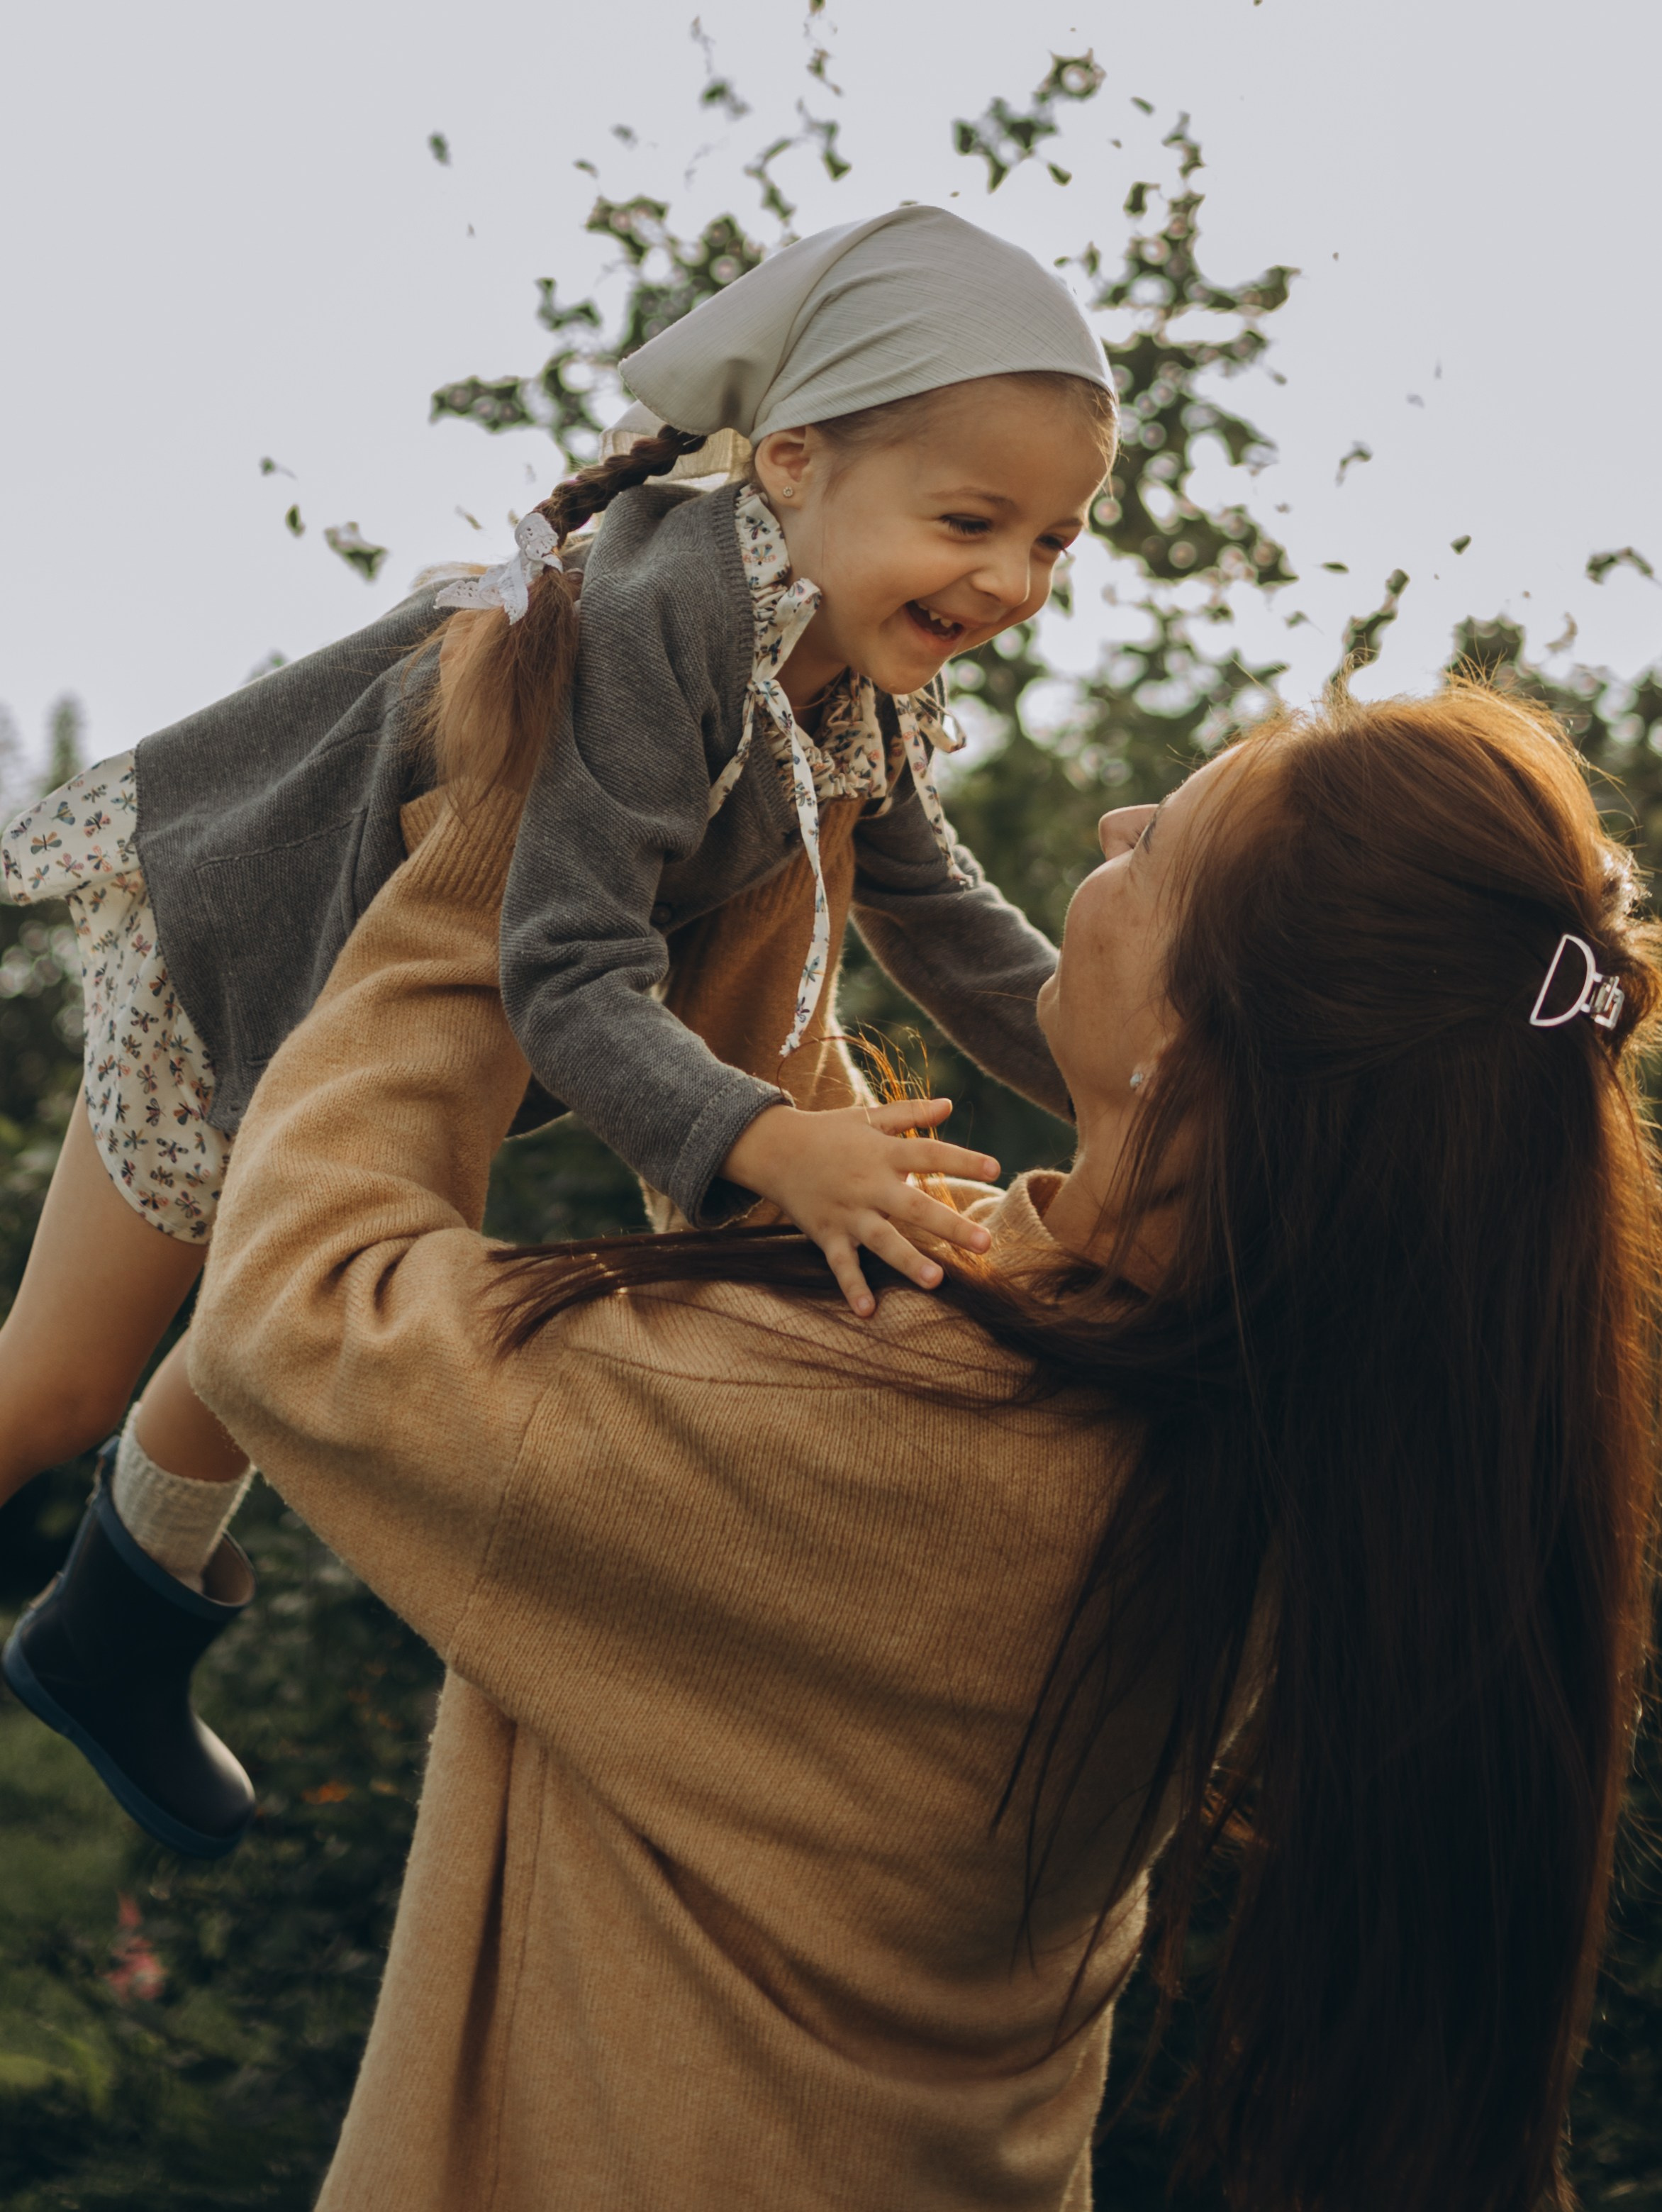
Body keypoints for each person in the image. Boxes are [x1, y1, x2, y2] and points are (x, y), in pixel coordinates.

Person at [162, 679, 1658, 2211]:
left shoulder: (898, 1427)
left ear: (1183, 1046)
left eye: (1158, 856)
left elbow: (300, 1305)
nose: (1114, 823)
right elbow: (818, 1262)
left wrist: (504, 838)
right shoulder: (1301, 1419)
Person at [0, 206, 1117, 1854]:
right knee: (60, 1381)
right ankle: (107, 1620)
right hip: (250, 944)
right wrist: (760, 1138)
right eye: (972, 521)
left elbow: (940, 917)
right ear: (793, 462)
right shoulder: (676, 612)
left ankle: (113, 1625)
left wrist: (1149, 1076)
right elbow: (572, 967)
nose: (1010, 581)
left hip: (393, 1010)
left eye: (1052, 543)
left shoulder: (844, 663)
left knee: (317, 1275)